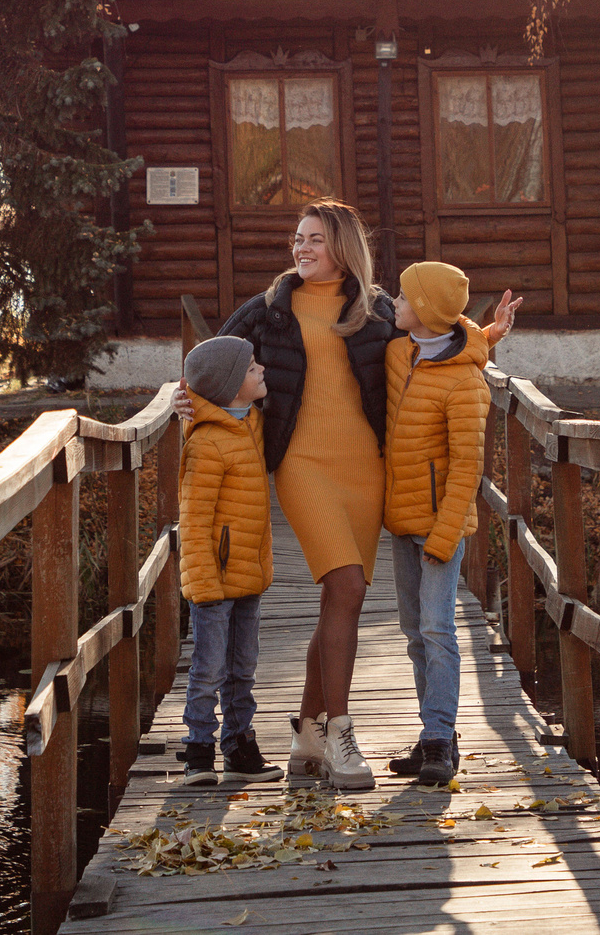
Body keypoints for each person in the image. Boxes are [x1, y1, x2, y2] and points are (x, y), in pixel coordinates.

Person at [219, 200, 395, 789]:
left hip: (364, 471)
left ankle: (305, 739)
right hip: (301, 464)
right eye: (298, 238)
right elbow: (214, 362)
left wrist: (485, 337)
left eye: (314, 239)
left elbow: (435, 341)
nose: (301, 248)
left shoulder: (375, 309)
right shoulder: (270, 308)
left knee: (340, 602)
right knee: (344, 584)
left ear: (343, 246)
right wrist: (194, 401)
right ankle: (341, 732)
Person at [378, 261, 491, 786]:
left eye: (401, 298)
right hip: (402, 519)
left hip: (440, 526)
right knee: (414, 633)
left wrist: (445, 537)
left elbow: (468, 467)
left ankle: (441, 741)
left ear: (422, 311)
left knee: (437, 630)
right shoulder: (399, 353)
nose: (393, 305)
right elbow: (458, 338)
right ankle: (432, 737)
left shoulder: (465, 383)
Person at [175, 334, 283, 786]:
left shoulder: (251, 421)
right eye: (252, 366)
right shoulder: (206, 444)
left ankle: (240, 745)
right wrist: (201, 583)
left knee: (244, 667)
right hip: (214, 580)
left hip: (249, 573)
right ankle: (198, 751)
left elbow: (214, 411)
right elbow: (195, 521)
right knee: (208, 667)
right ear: (228, 384)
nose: (261, 370)